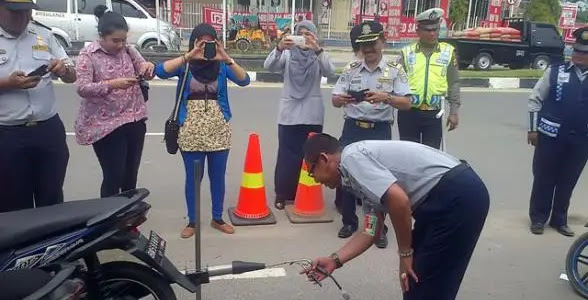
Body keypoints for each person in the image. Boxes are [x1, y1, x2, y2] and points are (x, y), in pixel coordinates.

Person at [301, 133, 489, 300]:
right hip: (446, 200)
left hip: (457, 197)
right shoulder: (355, 176)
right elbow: (370, 230)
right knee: (415, 280)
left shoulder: (351, 159)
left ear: (324, 159)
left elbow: (399, 201)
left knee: (427, 287)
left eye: (312, 172)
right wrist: (334, 260)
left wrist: (405, 253)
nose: (316, 180)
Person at [154, 23, 250, 238]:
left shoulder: (222, 66)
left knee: (218, 177)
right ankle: (193, 221)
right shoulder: (185, 65)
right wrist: (189, 56)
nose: (206, 46)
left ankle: (217, 218)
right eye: (202, 42)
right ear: (194, 42)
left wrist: (226, 57)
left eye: (210, 42)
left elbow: (244, 80)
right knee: (193, 178)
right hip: (190, 129)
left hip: (218, 129)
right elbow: (159, 71)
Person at [331, 21, 412, 247]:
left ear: (383, 42)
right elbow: (335, 99)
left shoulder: (395, 71)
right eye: (364, 45)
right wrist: (341, 100)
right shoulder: (351, 69)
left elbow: (406, 103)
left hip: (379, 130)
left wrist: (386, 97)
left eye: (373, 44)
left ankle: (379, 228)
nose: (368, 49)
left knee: (378, 181)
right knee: (346, 177)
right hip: (353, 127)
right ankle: (349, 221)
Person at [0, 0, 76, 212]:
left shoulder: (44, 35)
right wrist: (8, 84)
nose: (23, 17)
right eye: (15, 12)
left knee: (51, 199)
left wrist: (63, 70)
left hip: (48, 130)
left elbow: (72, 74)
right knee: (13, 204)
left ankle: (51, 245)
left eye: (27, 12)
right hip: (7, 134)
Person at [74, 6, 155, 198]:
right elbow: (82, 88)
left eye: (123, 40)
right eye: (115, 40)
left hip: (134, 119)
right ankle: (110, 221)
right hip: (106, 125)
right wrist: (112, 84)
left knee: (130, 177)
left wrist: (147, 67)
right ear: (102, 36)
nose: (120, 45)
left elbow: (142, 65)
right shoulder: (88, 55)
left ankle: (129, 222)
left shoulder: (128, 50)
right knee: (113, 176)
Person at [264, 20, 335, 210]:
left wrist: (317, 49)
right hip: (289, 114)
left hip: (312, 114)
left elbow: (331, 71)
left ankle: (304, 192)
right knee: (287, 156)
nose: (303, 38)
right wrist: (279, 47)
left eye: (308, 34)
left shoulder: (317, 56)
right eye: (300, 33)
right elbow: (269, 66)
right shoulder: (287, 55)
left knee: (311, 155)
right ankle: (282, 194)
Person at [527, 26, 588, 237]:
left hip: (581, 139)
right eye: (577, 50)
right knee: (544, 179)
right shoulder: (555, 71)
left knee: (568, 181)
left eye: (585, 52)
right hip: (550, 136)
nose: (579, 55)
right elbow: (535, 99)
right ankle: (538, 218)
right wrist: (533, 130)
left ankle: (559, 220)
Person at [398, 8, 460, 149]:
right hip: (408, 113)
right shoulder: (406, 53)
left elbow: (454, 83)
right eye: (427, 30)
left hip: (435, 113)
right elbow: (396, 84)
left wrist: (454, 112)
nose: (432, 33)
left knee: (431, 157)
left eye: (435, 29)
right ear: (418, 31)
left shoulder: (448, 52)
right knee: (408, 154)